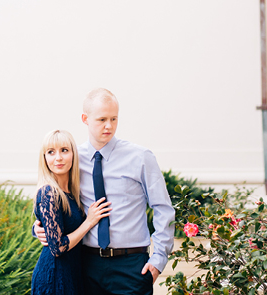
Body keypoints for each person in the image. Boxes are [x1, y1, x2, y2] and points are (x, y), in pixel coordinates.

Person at [35, 88, 175, 295]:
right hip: (86, 265)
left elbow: (163, 208)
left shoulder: (140, 157)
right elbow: (59, 202)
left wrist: (158, 260)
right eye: (101, 119)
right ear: (85, 119)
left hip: (131, 265)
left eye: (114, 119)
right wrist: (39, 227)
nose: (109, 126)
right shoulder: (73, 159)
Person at [32, 129, 112, 295]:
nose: (58, 158)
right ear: (45, 158)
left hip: (72, 272)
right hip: (54, 276)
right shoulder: (49, 192)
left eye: (64, 150)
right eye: (51, 152)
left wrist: (36, 230)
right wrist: (89, 222)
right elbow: (57, 247)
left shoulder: (71, 193)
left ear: (73, 154)